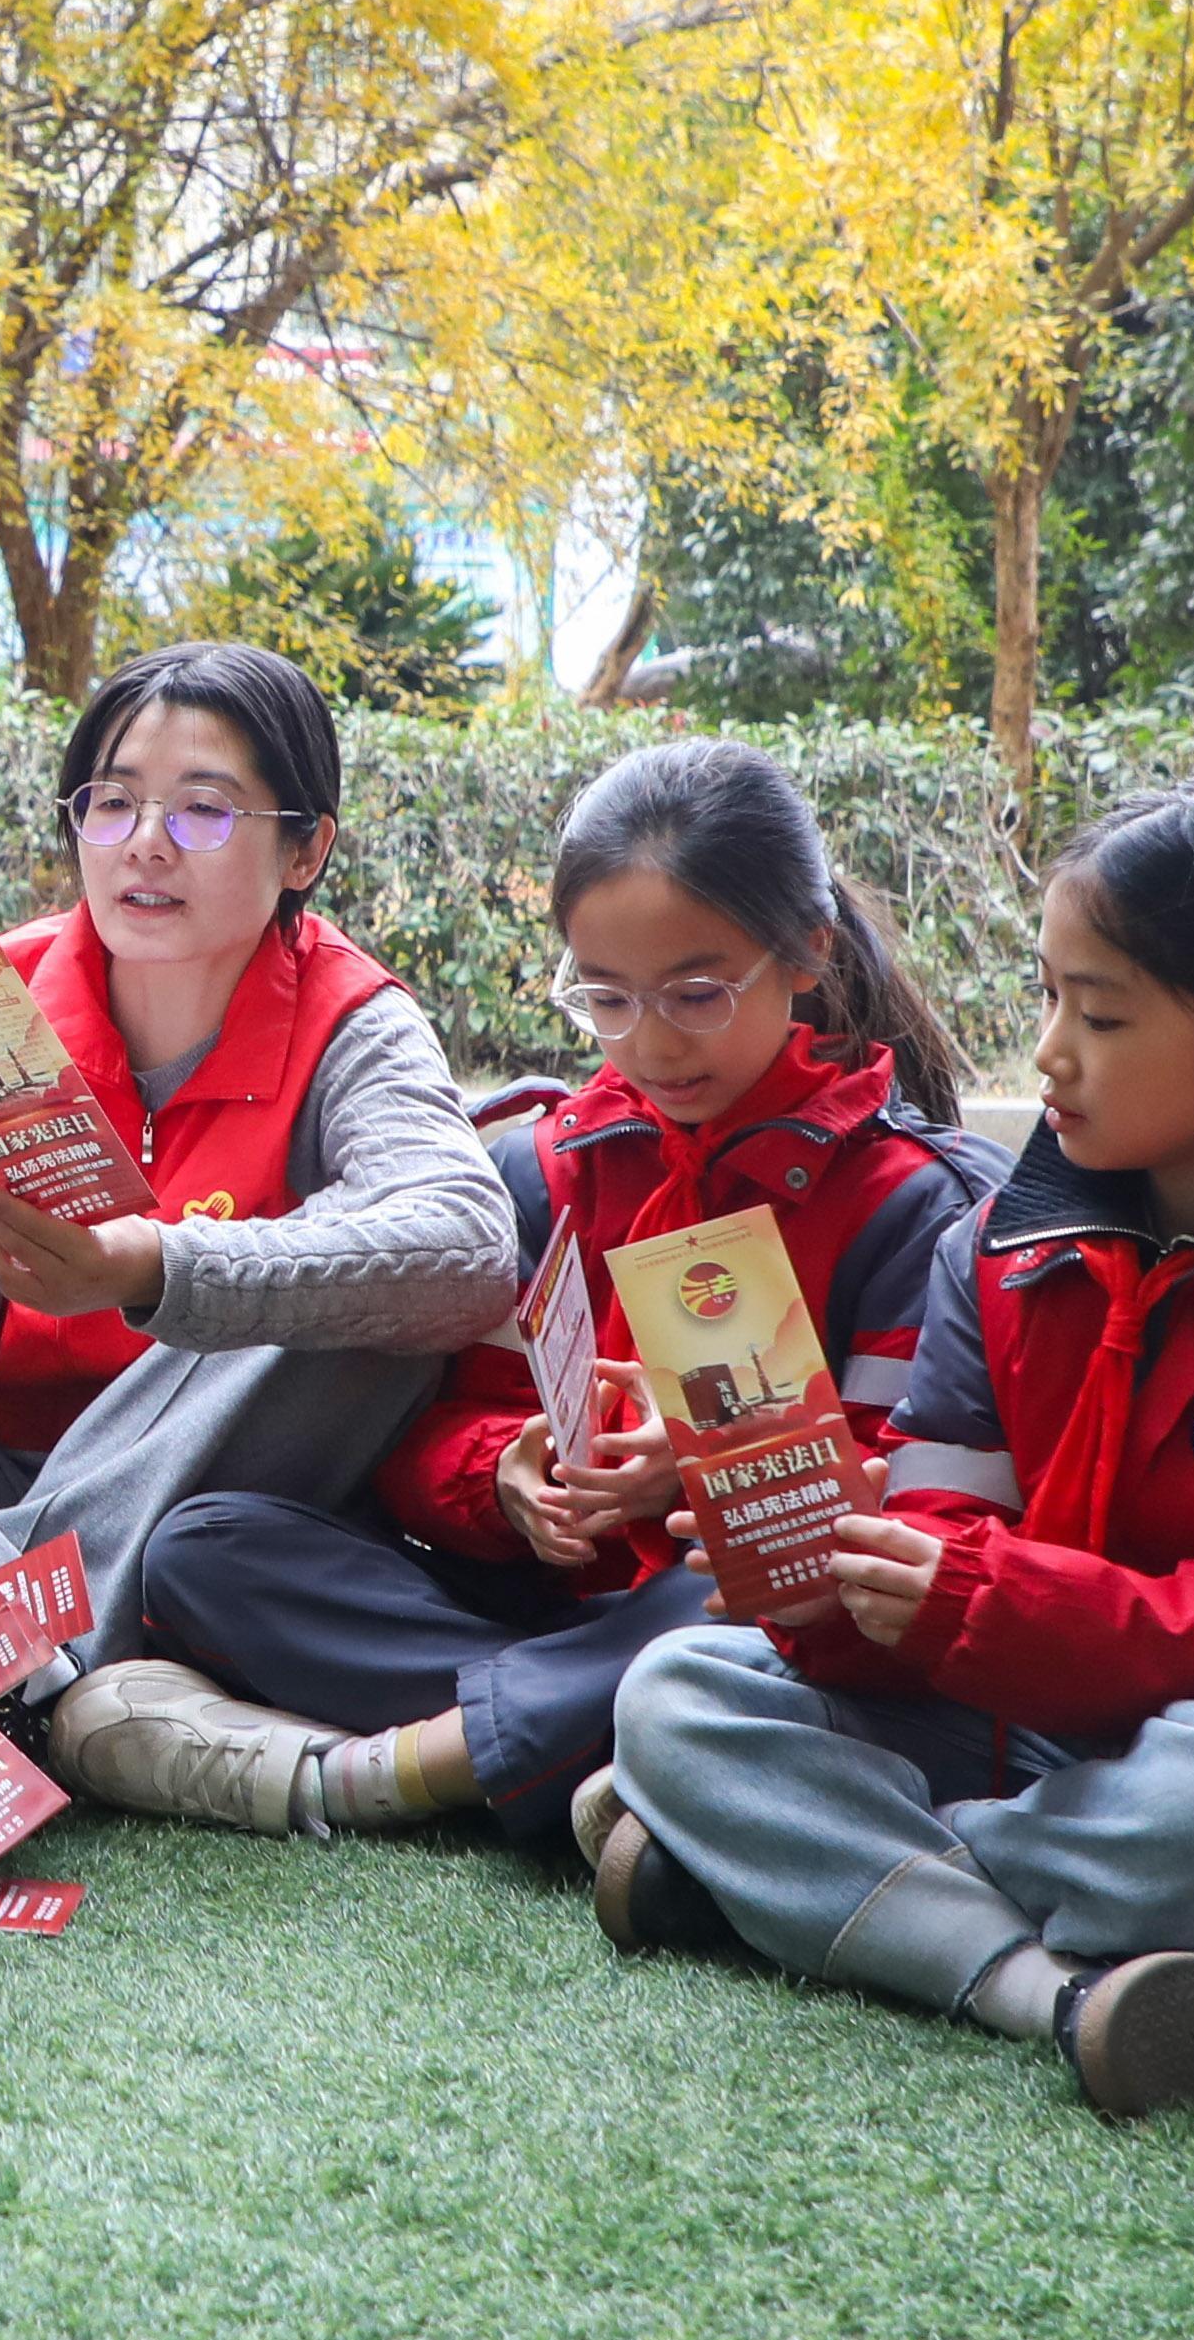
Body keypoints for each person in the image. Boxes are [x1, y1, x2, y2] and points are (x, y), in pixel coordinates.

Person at [588, 776, 1194, 2120]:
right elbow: (946, 1541)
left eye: (1103, 1016)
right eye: (1048, 997)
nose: (1049, 1054)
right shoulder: (1000, 1244)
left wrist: (1000, 1604)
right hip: (1008, 1722)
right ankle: (1054, 1990)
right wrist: (843, 1588)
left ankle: (832, 1879)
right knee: (678, 1691)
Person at [122, 739, 997, 1848]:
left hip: (736, 1617)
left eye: (697, 994)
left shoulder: (908, 1204)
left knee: (714, 1633)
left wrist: (714, 1472)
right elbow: (430, 1433)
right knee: (202, 1547)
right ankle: (603, 1749)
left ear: (806, 953)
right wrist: (507, 1479)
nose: (652, 1042)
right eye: (607, 999)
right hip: (547, 1614)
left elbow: (912, 1529)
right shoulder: (550, 1167)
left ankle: (398, 1770)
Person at [0, 639, 516, 1754]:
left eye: (205, 810)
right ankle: (21, 1660)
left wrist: (154, 1270)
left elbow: (471, 1249)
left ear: (306, 848)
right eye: (113, 803)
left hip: (184, 1498)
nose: (146, 844)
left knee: (373, 1273)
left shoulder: (355, 1023)